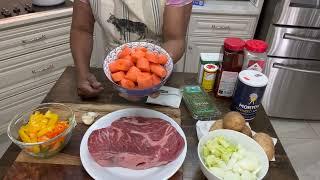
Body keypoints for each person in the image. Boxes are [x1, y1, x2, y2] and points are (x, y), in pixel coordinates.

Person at [70, 0, 192, 98]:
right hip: (116, 75)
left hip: (159, 71)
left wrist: (151, 76)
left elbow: (174, 40)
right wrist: (82, 73)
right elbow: (81, 30)